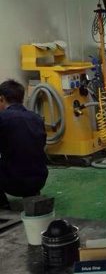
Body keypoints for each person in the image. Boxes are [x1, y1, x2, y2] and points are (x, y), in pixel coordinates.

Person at [0, 80, 48, 209]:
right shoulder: (36, 118)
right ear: (22, 99)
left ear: (1, 98)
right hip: (38, 180)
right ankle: (32, 196)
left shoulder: (2, 117)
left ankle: (3, 205)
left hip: (12, 183)